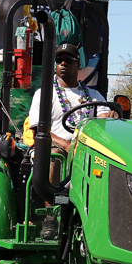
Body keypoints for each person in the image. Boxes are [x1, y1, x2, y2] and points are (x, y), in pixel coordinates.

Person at [28, 43, 115, 238]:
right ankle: (51, 216)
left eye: (69, 60)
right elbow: (39, 130)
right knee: (54, 158)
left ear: (78, 65)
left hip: (86, 148)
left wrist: (110, 115)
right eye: (59, 60)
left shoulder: (93, 96)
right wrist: (67, 144)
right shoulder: (43, 94)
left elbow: (102, 121)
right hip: (53, 146)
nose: (63, 64)